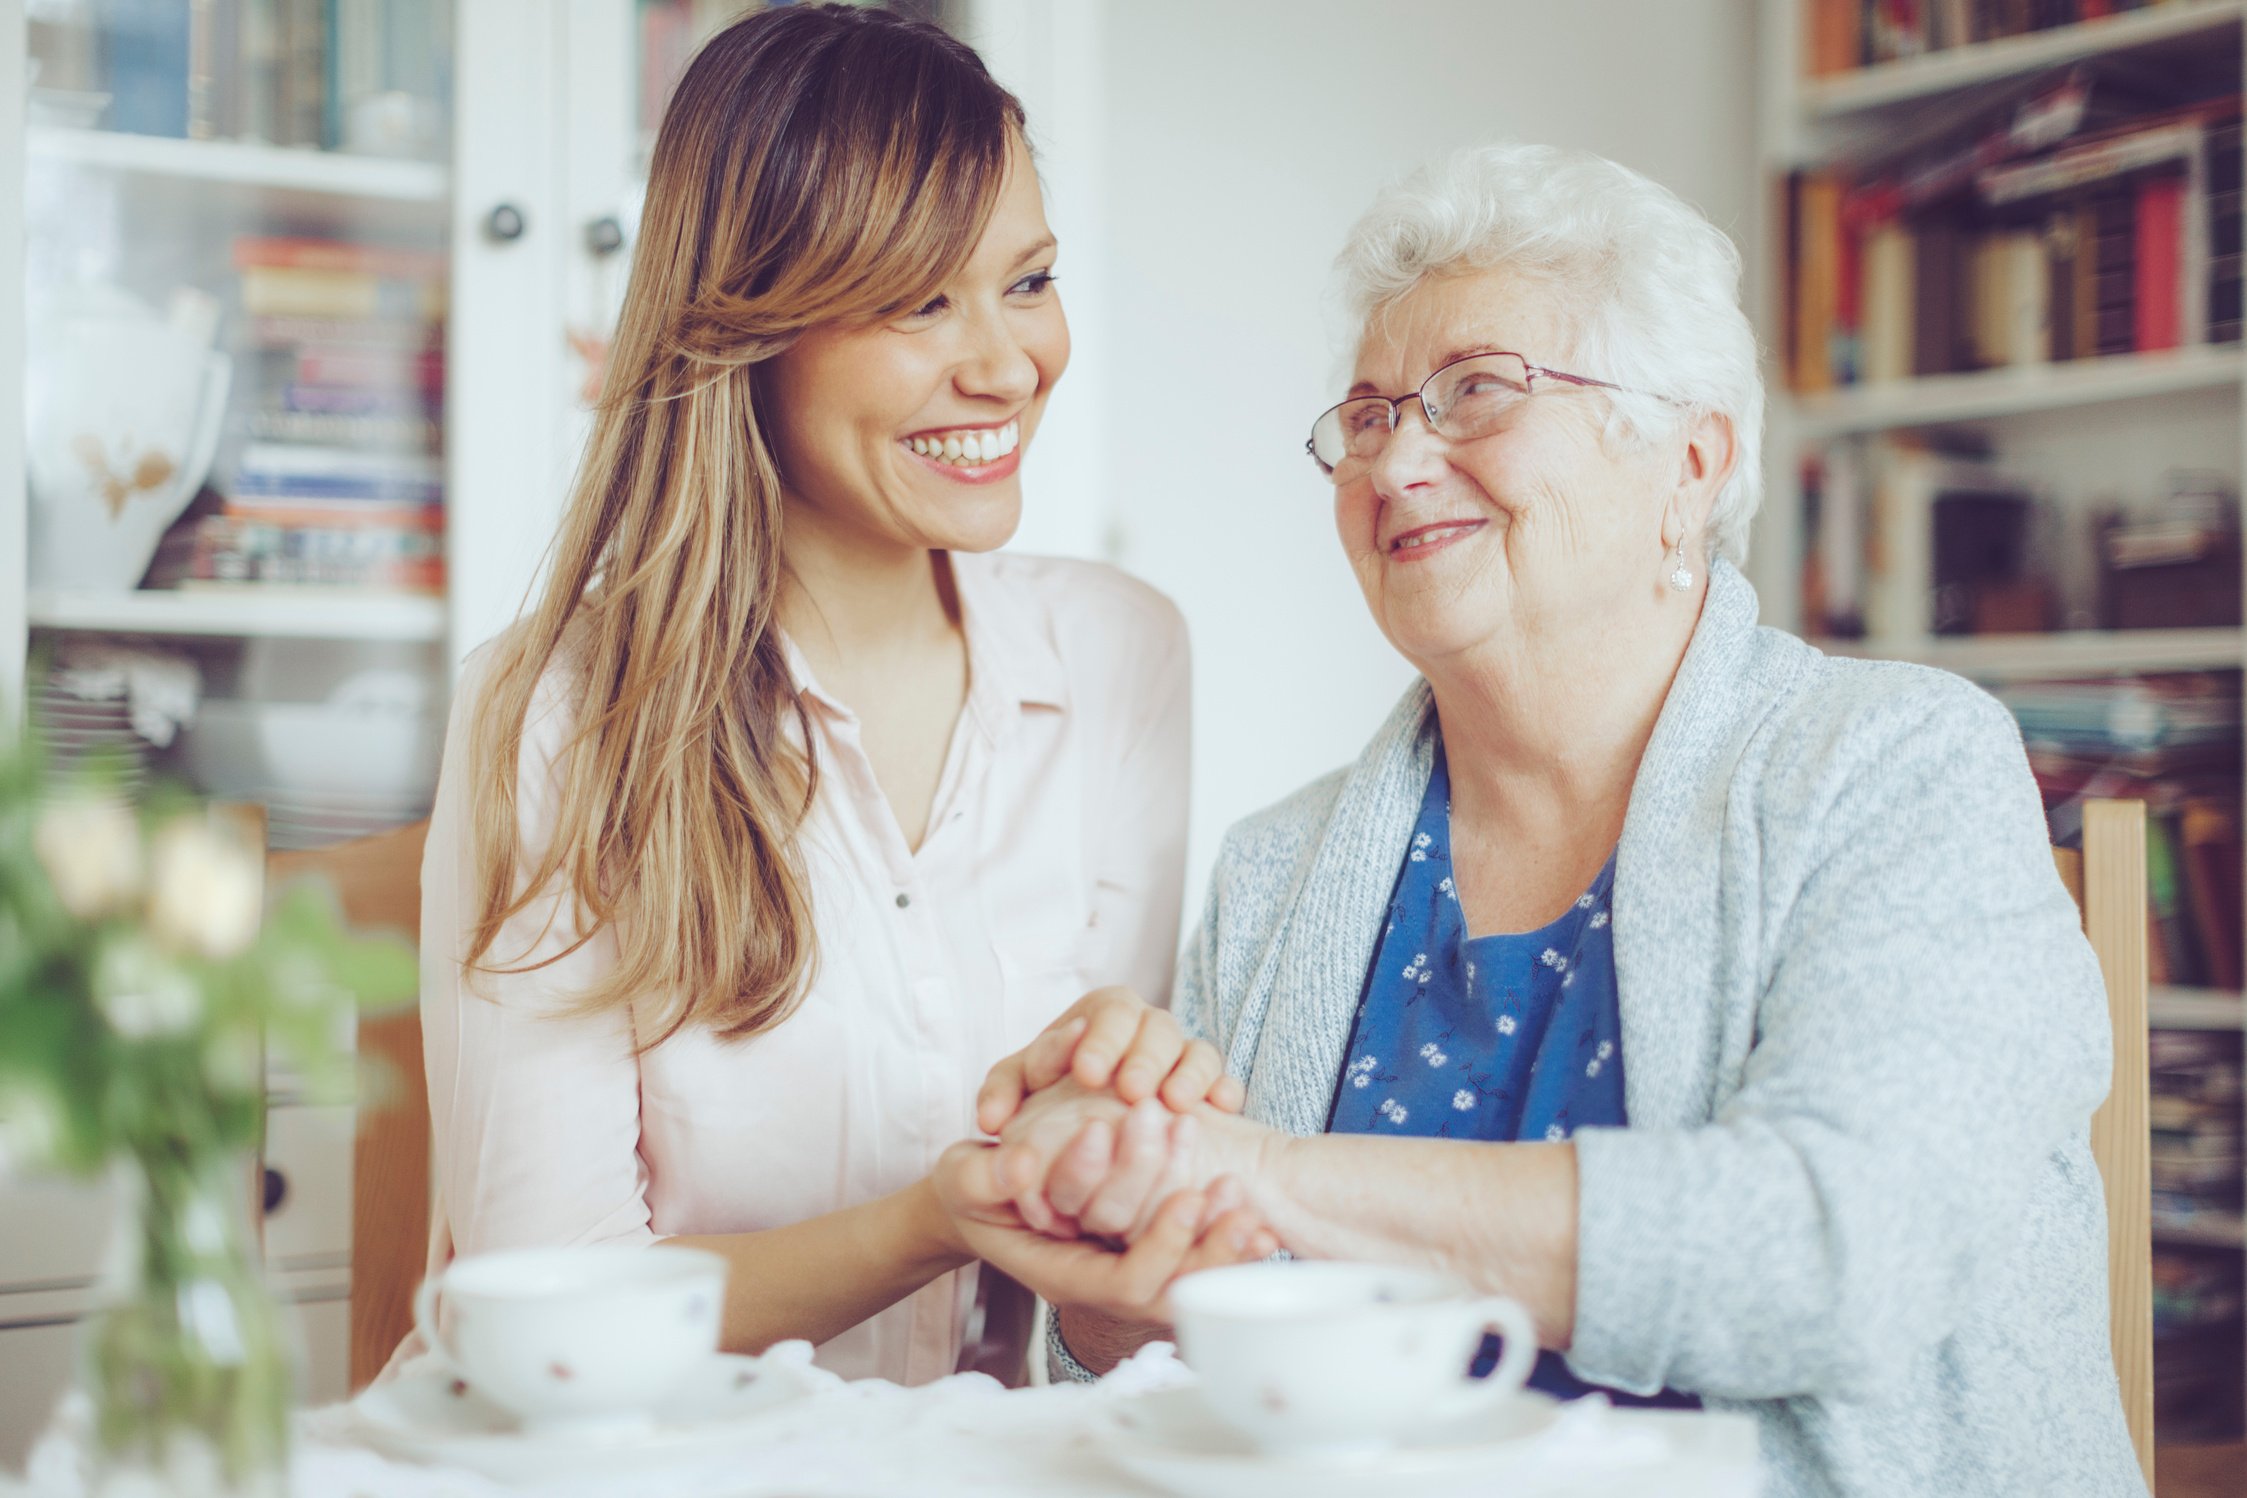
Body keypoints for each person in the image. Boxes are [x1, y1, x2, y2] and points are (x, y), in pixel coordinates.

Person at [970, 143, 2145, 1496]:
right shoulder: (1279, 866)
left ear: (1688, 464)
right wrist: (1119, 1238)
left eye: (1476, 392)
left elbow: (1835, 1251)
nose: (1397, 458)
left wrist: (1260, 1170)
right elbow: (1168, 1366)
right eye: (1365, 417)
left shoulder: (1896, 764)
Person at [416, 3, 1256, 1387]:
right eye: (921, 301)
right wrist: (932, 1220)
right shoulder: (554, 711)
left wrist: (1121, 1185)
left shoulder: (1122, 656)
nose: (1006, 364)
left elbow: (1099, 1303)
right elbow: (539, 1313)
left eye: (1028, 281)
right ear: (750, 331)